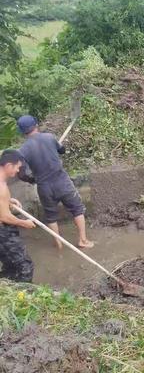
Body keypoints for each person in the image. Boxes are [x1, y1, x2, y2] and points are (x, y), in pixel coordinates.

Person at [17, 115, 94, 249]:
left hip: (44, 186)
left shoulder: (22, 150)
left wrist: (33, 180)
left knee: (51, 216)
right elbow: (62, 150)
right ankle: (83, 240)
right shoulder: (49, 137)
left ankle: (58, 244)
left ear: (22, 131)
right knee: (77, 209)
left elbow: (21, 174)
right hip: (61, 181)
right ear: (36, 125)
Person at [0, 149, 35, 282]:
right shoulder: (1, 187)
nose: (17, 172)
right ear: (9, 165)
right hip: (2, 232)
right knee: (25, 266)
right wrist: (24, 223)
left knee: (10, 266)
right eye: (17, 168)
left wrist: (8, 200)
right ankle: (25, 296)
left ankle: (7, 287)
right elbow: (4, 217)